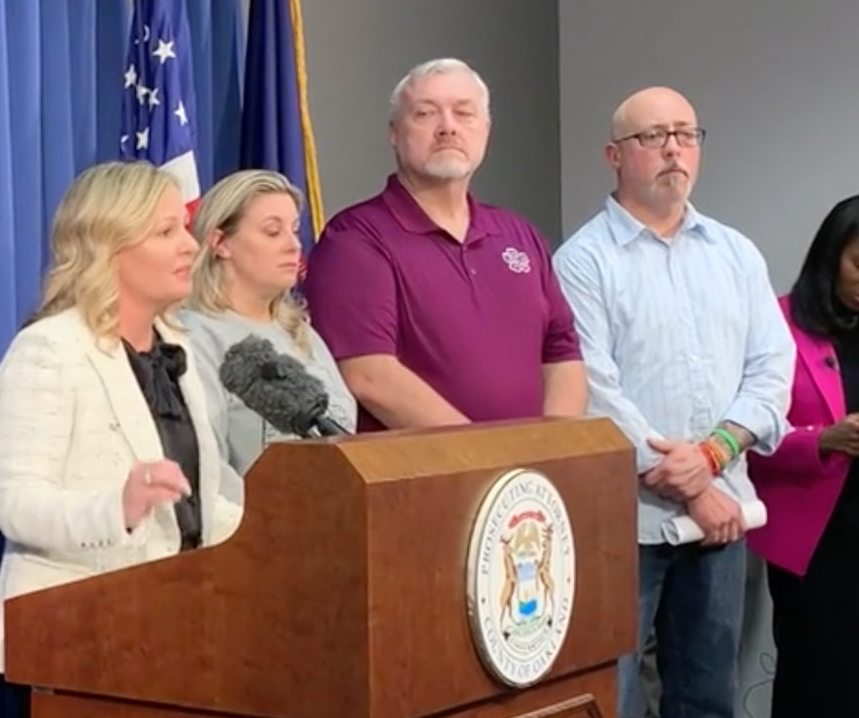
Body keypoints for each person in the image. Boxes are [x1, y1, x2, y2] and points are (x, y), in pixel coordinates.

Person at [551, 87, 795, 718]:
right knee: (616, 697)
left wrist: (713, 456)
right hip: (623, 521)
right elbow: (593, 391)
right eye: (651, 136)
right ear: (614, 155)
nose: (672, 149)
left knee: (708, 698)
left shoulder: (735, 254)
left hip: (722, 523)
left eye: (686, 135)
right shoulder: (581, 261)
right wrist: (691, 485)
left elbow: (773, 369)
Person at [0, 161, 243, 715]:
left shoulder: (176, 348)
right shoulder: (49, 351)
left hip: (183, 637)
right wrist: (117, 507)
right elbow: (18, 507)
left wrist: (278, 531)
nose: (190, 247)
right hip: (75, 651)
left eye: (184, 227)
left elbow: (196, 503)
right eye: (165, 231)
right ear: (110, 247)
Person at [303, 58, 587, 430]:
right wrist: (485, 457)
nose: (448, 128)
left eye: (464, 113)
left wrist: (550, 453)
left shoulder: (520, 235)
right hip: (420, 480)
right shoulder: (356, 240)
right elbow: (368, 375)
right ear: (394, 132)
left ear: (485, 129)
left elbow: (561, 351)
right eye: (425, 114)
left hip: (526, 484)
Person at [747, 195, 859, 718]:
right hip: (819, 538)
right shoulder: (780, 325)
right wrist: (822, 440)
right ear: (830, 256)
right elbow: (750, 431)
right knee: (819, 676)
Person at [182, 169, 356, 503]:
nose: (294, 245)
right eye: (272, 232)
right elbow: (205, 471)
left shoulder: (301, 333)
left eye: (293, 230)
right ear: (220, 243)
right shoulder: (193, 336)